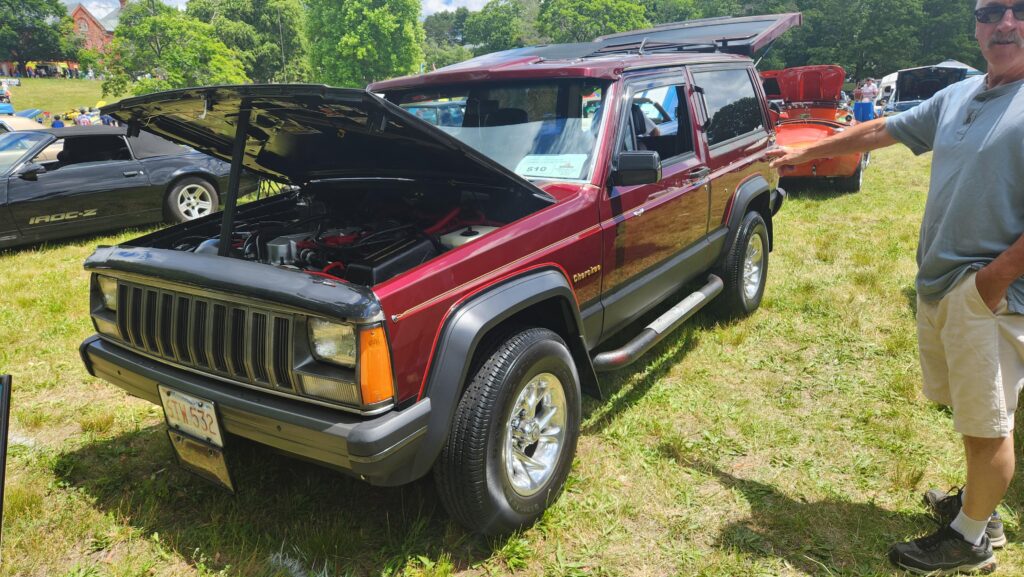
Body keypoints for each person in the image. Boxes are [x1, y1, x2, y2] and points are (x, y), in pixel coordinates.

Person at [769, 1, 1024, 573]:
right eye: (990, 12)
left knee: (989, 423)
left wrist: (995, 279)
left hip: (992, 294)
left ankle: (971, 541)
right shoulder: (961, 93)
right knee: (972, 411)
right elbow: (885, 127)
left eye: (1019, 10)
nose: (1004, 23)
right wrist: (805, 151)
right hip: (943, 283)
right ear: (977, 26)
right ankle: (981, 508)